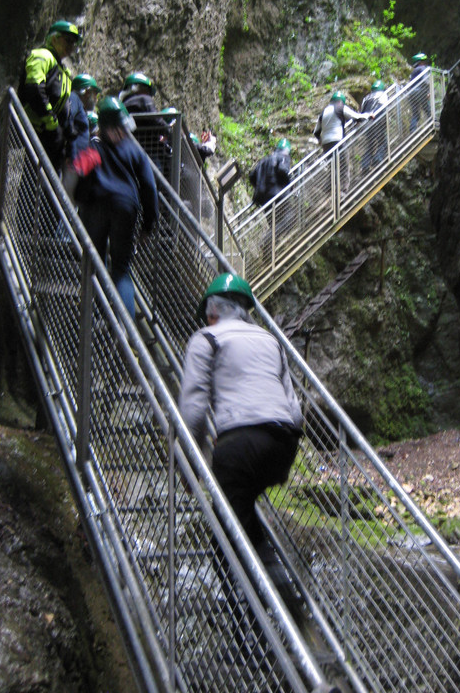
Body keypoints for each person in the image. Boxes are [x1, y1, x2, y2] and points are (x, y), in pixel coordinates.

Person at [178, 272, 304, 612]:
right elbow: (294, 409)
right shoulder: (270, 341)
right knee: (243, 520)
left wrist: (189, 464)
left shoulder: (205, 338)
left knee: (226, 540)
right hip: (283, 443)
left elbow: (193, 410)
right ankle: (279, 601)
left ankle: (258, 626)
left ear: (212, 312)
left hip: (240, 443)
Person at [75, 96, 158, 319]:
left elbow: (78, 174)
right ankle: (125, 330)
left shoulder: (92, 147)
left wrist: (78, 203)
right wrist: (148, 225)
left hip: (95, 206)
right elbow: (149, 187)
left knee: (94, 262)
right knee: (121, 269)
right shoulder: (134, 150)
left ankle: (95, 316)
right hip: (125, 207)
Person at [18, 19, 82, 171]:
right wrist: (50, 121)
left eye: (73, 43)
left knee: (45, 176)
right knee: (33, 174)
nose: (71, 46)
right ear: (54, 38)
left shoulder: (63, 70)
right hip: (39, 130)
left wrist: (67, 129)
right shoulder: (43, 56)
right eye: (68, 41)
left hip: (52, 136)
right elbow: (34, 88)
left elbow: (63, 102)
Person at [313, 91, 372, 193]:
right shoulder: (341, 107)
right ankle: (343, 190)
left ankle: (328, 188)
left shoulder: (324, 111)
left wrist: (320, 141)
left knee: (333, 166)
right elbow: (357, 117)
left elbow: (316, 132)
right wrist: (368, 115)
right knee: (344, 164)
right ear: (341, 101)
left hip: (326, 144)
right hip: (338, 141)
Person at [120, 72, 170, 173]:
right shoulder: (143, 99)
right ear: (139, 88)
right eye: (148, 91)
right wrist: (170, 131)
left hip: (128, 150)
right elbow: (156, 120)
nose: (149, 95)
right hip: (149, 151)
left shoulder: (122, 106)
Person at [361, 80, 390, 171]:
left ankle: (365, 165)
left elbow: (362, 111)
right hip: (377, 122)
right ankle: (377, 159)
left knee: (370, 145)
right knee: (383, 142)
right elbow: (384, 109)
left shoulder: (366, 98)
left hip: (367, 124)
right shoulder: (383, 95)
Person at [409, 52, 431, 132]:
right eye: (424, 61)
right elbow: (425, 81)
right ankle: (433, 125)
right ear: (420, 62)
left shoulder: (414, 71)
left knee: (416, 114)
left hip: (412, 94)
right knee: (428, 110)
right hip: (420, 92)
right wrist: (428, 91)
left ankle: (412, 130)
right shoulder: (422, 68)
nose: (425, 63)